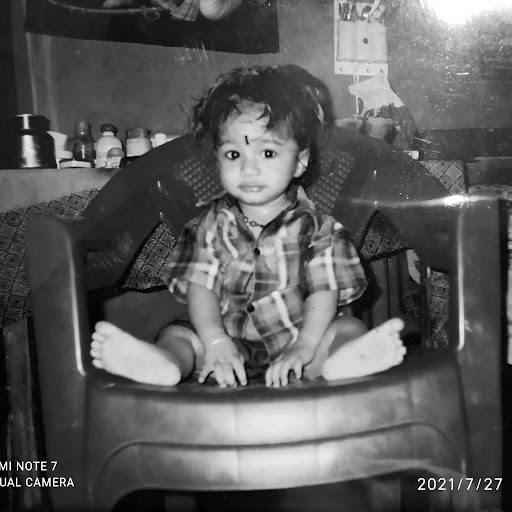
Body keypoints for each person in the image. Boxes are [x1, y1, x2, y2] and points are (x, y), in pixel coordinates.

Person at [90, 64, 406, 388]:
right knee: (178, 336)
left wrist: (306, 345)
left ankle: (346, 359)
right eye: (233, 154)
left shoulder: (320, 230)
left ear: (300, 161)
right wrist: (214, 341)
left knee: (346, 329)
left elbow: (326, 290)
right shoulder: (208, 227)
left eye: (267, 152)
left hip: (299, 343)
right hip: (225, 345)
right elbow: (201, 287)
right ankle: (165, 364)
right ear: (217, 158)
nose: (248, 169)